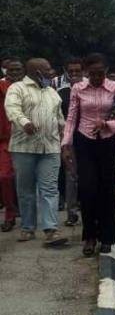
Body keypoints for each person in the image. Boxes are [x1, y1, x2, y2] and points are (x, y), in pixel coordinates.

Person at [62, 54, 115, 256]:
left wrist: (109, 124)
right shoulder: (78, 89)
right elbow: (72, 117)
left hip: (107, 142)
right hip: (85, 141)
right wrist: (66, 144)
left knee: (107, 190)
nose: (97, 77)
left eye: (100, 73)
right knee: (87, 189)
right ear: (85, 72)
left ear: (106, 71)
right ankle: (90, 236)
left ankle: (107, 237)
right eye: (92, 74)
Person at [4, 58, 67, 247]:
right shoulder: (17, 88)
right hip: (24, 148)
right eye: (47, 70)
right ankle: (28, 228)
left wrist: (64, 133)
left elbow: (59, 117)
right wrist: (25, 123)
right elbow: (12, 109)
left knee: (49, 188)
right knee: (26, 190)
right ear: (36, 71)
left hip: (50, 148)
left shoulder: (52, 92)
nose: (50, 72)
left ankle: (51, 229)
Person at [56, 58, 84, 227]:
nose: (74, 74)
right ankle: (72, 213)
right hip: (69, 140)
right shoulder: (61, 94)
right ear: (66, 72)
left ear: (83, 72)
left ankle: (87, 207)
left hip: (89, 139)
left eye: (77, 71)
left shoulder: (90, 90)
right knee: (71, 176)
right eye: (71, 71)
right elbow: (58, 119)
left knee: (87, 175)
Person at [0, 58, 24, 232]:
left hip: (26, 137)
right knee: (5, 176)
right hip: (5, 139)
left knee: (27, 180)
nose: (14, 73)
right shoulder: (1, 87)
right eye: (11, 70)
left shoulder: (30, 88)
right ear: (5, 71)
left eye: (18, 70)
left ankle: (26, 213)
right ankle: (10, 213)